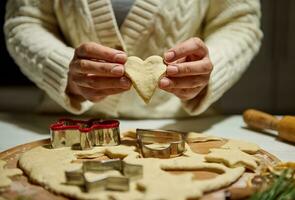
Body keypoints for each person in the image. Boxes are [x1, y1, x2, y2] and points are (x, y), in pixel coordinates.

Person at [4, 0, 262, 118]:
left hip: (178, 128)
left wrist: (209, 69)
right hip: (66, 125)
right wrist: (63, 71)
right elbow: (24, 21)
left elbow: (241, 21)